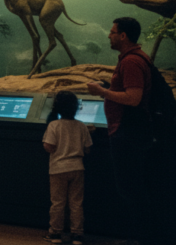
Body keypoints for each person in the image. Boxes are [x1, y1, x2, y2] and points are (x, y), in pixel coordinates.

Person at [86, 17, 161, 245]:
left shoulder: (131, 62)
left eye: (112, 32)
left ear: (123, 35)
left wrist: (101, 92)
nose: (108, 35)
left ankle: (142, 238)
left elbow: (133, 98)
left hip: (128, 134)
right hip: (132, 132)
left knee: (131, 189)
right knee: (134, 186)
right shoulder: (135, 59)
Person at [42, 91, 93, 245]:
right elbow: (88, 149)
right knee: (76, 202)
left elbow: (49, 146)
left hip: (58, 169)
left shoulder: (54, 125)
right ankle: (77, 234)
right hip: (77, 168)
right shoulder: (81, 126)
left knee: (58, 202)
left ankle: (55, 233)